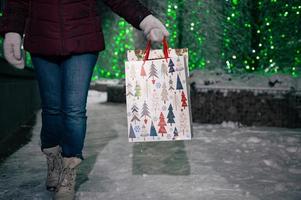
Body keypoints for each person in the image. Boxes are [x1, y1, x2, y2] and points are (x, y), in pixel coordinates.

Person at [0, 0, 169, 199]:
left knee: (74, 110)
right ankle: (53, 158)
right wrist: (13, 30)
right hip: (42, 38)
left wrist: (145, 20)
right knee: (52, 109)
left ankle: (69, 168)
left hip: (83, 40)